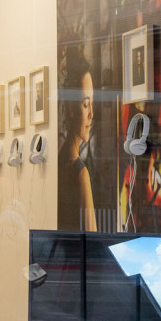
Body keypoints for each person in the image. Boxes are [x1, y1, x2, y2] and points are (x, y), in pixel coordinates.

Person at [59, 47, 99, 231]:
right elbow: (93, 246)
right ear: (70, 109)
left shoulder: (59, 162)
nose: (91, 114)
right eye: (85, 105)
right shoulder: (80, 174)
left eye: (92, 104)